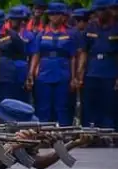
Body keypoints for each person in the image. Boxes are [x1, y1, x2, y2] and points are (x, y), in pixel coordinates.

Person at [27, 2, 78, 126]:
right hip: (44, 72)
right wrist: (31, 73)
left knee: (62, 106)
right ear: (49, 16)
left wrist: (74, 77)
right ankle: (43, 134)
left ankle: (64, 134)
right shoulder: (41, 34)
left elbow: (73, 57)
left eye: (58, 14)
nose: (55, 17)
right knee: (43, 106)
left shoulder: (69, 34)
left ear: (63, 16)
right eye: (53, 14)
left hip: (63, 72)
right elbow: (36, 54)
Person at [77, 0, 118, 129]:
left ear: (109, 11)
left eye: (101, 10)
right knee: (89, 104)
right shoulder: (91, 27)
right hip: (92, 70)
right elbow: (84, 51)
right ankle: (89, 134)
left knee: (109, 104)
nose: (99, 13)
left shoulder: (116, 27)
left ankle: (109, 133)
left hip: (110, 69)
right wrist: (80, 73)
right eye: (96, 11)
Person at [0, 6, 35, 104]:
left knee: (19, 102)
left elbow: (30, 55)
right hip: (1, 73)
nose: (17, 21)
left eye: (20, 19)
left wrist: (29, 74)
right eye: (14, 19)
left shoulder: (24, 35)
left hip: (19, 72)